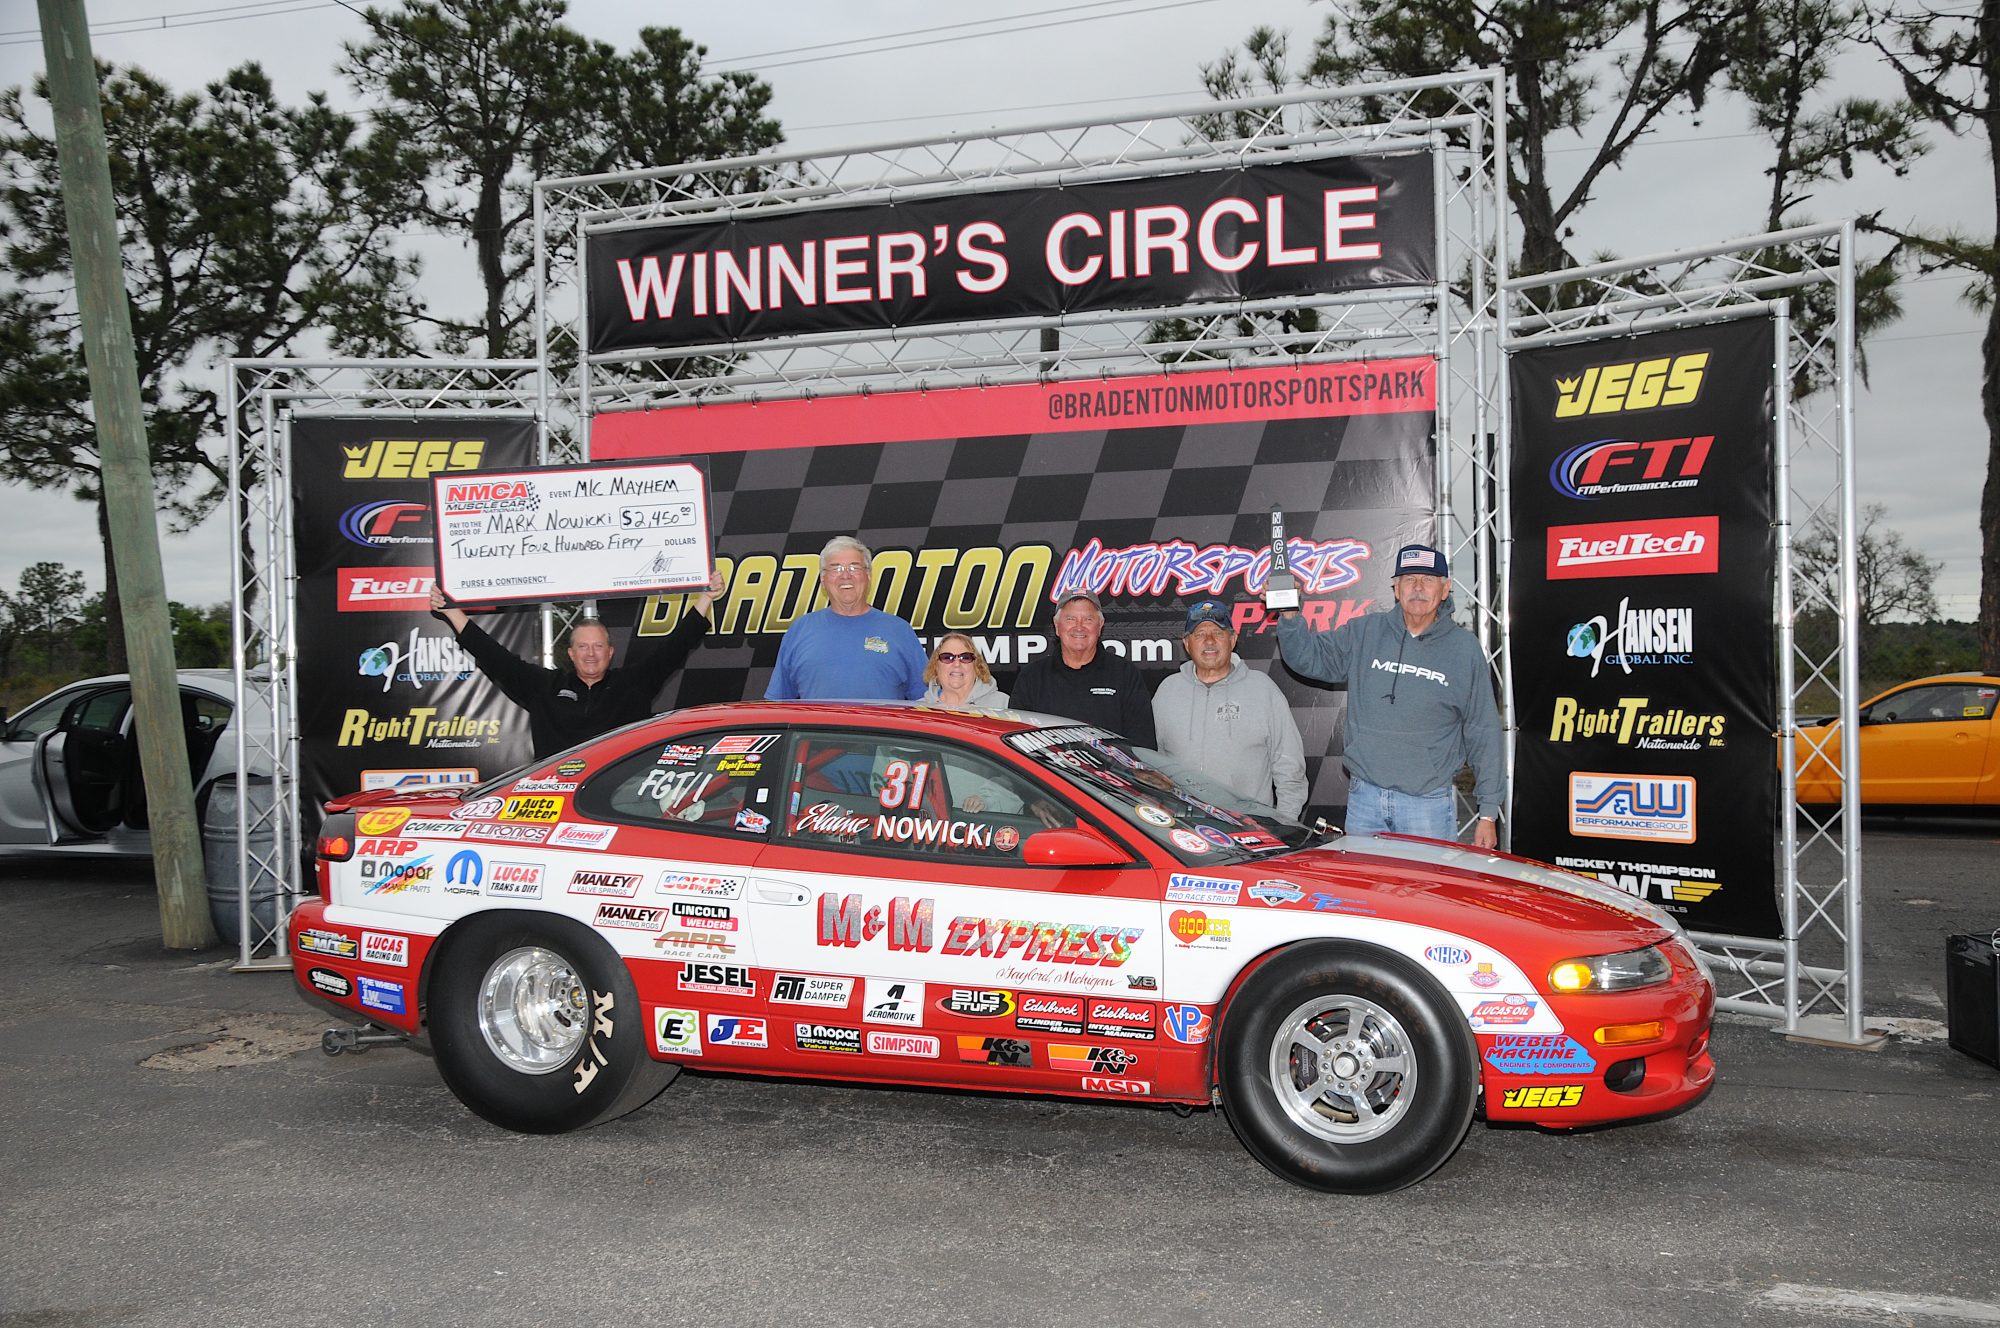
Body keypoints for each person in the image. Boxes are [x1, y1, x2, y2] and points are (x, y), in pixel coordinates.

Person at [1274, 543, 1502, 848]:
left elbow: (1482, 730)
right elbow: (1308, 658)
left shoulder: (1464, 649)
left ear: (1445, 589)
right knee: (1366, 894)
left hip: (1428, 806)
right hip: (1364, 799)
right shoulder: (1365, 632)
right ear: (1396, 589)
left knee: (1425, 893)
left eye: (1428, 580)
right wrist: (1289, 615)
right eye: (1409, 580)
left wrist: (1487, 814)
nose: (1418, 588)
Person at [430, 571, 722, 758]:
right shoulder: (544, 687)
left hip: (618, 791)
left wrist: (706, 598)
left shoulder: (634, 684)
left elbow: (674, 647)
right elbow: (495, 658)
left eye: (598, 646)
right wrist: (453, 613)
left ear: (610, 652)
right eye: (583, 646)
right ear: (570, 654)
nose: (591, 654)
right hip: (555, 791)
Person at [1153, 599, 1308, 820]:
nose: (1209, 641)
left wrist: (1284, 823)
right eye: (1199, 634)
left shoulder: (1262, 689)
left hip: (1248, 828)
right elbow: (1151, 765)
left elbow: (1289, 766)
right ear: (1186, 644)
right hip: (1182, 828)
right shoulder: (1168, 690)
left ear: (1233, 639)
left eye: (1218, 633)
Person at [765, 536, 927, 701]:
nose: (845, 576)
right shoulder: (800, 630)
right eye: (836, 569)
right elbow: (778, 704)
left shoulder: (899, 630)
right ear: (823, 579)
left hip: (879, 728)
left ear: (868, 575)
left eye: (854, 567)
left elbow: (926, 700)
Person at [1009, 589, 1156, 746]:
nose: (1079, 627)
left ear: (1100, 626)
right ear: (1057, 626)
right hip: (1045, 770)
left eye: (1088, 619)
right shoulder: (1032, 677)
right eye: (1070, 619)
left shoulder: (1125, 674)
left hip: (1111, 770)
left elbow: (1143, 745)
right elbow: (1017, 742)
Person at [922, 633, 1009, 709]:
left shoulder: (1004, 704)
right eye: (947, 657)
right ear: (936, 667)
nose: (956, 664)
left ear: (977, 667)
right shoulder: (918, 711)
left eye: (965, 657)